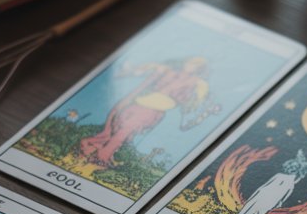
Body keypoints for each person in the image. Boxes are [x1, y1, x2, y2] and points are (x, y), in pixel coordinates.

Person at [78, 57, 217, 167]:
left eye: (197, 66)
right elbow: (144, 83)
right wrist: (127, 99)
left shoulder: (197, 83)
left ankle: (100, 151)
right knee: (122, 131)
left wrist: (204, 108)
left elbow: (191, 101)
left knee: (125, 133)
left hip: (155, 109)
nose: (191, 67)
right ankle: (102, 156)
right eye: (192, 63)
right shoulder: (169, 71)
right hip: (144, 105)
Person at [225, 150, 307, 214]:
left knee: (252, 213)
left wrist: (275, 202)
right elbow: (270, 190)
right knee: (251, 213)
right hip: (265, 197)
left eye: (293, 167)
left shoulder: (286, 180)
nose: (291, 168)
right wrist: (275, 202)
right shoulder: (284, 179)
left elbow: (279, 194)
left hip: (266, 199)